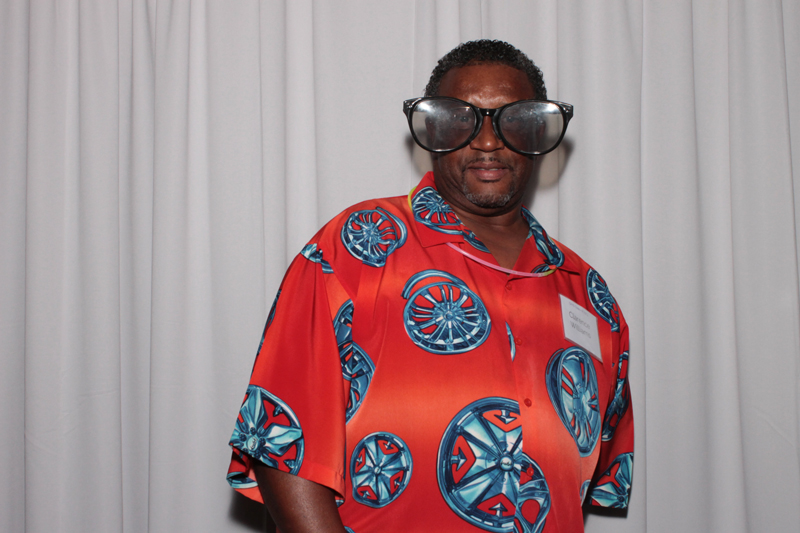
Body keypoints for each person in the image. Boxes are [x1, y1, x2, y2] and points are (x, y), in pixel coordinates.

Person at [226, 39, 633, 533]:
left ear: (537, 132)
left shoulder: (590, 295)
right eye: (461, 120)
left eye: (512, 120)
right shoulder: (359, 245)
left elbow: (582, 478)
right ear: (432, 130)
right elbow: (281, 440)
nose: (488, 142)